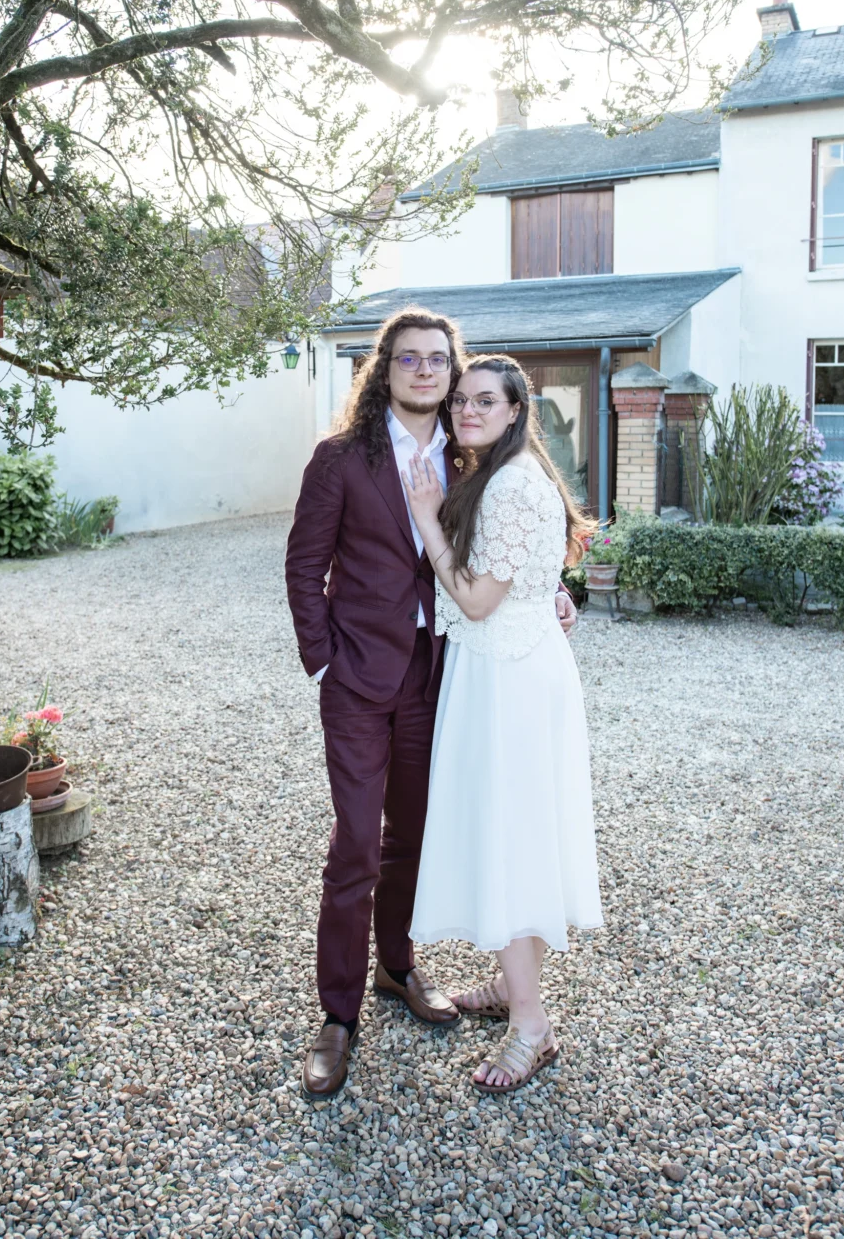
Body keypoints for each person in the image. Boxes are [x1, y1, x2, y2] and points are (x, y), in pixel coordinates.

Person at [286, 313, 578, 1099]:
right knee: (355, 841)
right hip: (357, 678)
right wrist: (326, 663)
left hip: (442, 675)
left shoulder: (468, 454)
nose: (425, 371)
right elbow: (304, 565)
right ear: (384, 370)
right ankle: (338, 1016)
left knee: (414, 835)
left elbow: (502, 550)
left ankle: (399, 968)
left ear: (454, 374)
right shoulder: (341, 458)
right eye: (408, 359)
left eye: (438, 360)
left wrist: (547, 590)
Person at [403, 354, 603, 1093]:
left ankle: (532, 1025)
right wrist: (551, 593)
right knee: (505, 831)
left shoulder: (513, 485)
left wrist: (426, 518)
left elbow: (479, 599)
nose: (467, 411)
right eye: (460, 401)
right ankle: (510, 986)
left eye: (486, 401)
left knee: (513, 840)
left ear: (517, 410)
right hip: (504, 665)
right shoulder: (500, 473)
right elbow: (526, 575)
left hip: (509, 676)